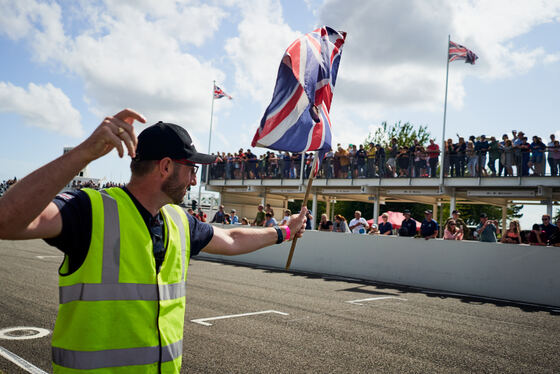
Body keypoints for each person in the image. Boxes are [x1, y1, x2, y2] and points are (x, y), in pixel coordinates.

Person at [0, 110, 308, 373]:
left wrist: (284, 231)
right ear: (165, 167)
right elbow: (7, 220)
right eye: (192, 170)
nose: (193, 181)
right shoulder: (89, 210)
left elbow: (231, 238)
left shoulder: (177, 220)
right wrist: (83, 153)